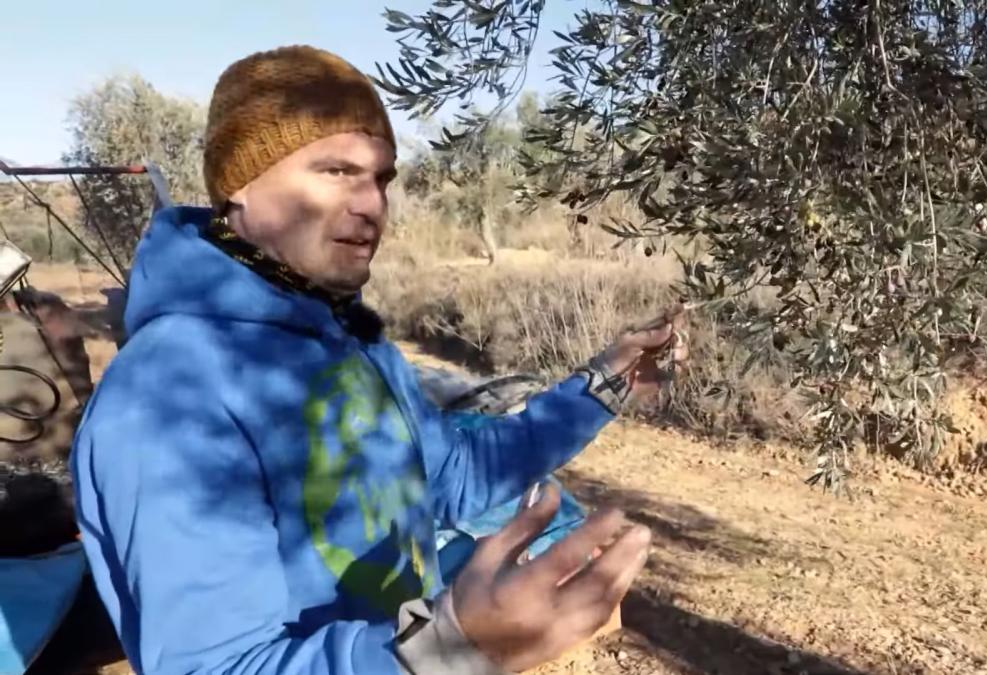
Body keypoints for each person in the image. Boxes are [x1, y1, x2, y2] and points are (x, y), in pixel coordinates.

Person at [71, 45, 687, 675]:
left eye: (381, 178)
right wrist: (446, 649)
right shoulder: (166, 394)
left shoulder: (353, 343)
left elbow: (455, 478)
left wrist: (603, 385)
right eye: (335, 171)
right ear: (239, 186)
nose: (370, 205)